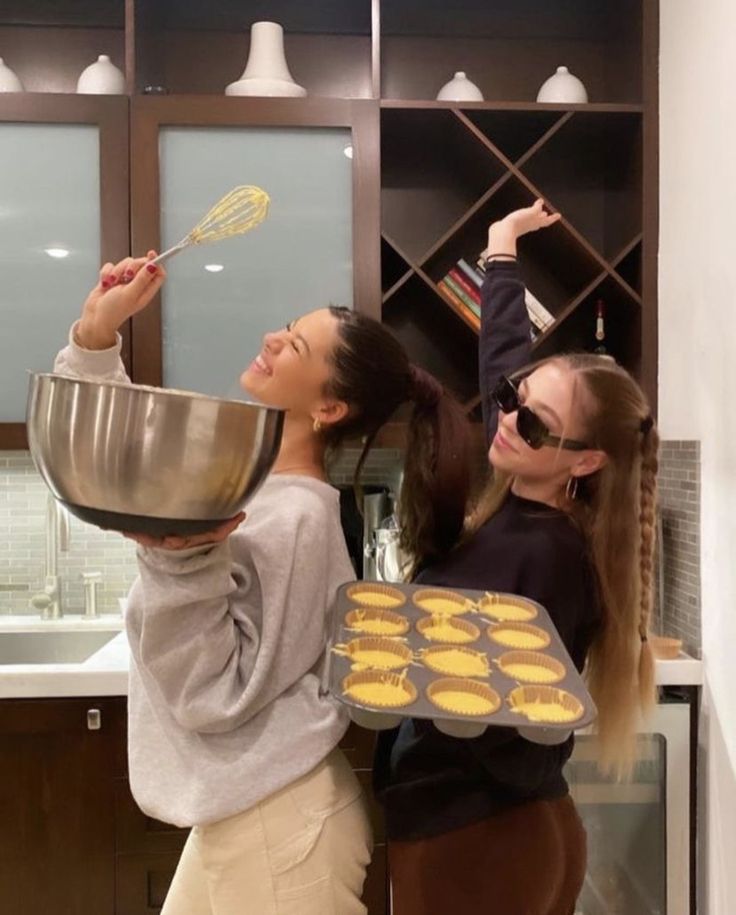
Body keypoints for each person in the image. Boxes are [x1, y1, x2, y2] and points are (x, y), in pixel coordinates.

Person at [54, 252, 473, 915]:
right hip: (252, 810)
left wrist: (181, 561)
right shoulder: (252, 488)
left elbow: (215, 695)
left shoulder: (295, 517)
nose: (273, 337)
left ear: (330, 405)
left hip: (279, 823)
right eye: (285, 326)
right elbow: (122, 451)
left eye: (296, 343)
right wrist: (98, 331)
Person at [374, 200, 658, 915]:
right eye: (510, 398)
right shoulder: (525, 485)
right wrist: (502, 246)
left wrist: (433, 692)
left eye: (533, 421)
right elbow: (505, 360)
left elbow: (519, 738)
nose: (505, 417)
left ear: (586, 460)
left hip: (482, 840)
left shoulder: (546, 557)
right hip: (495, 831)